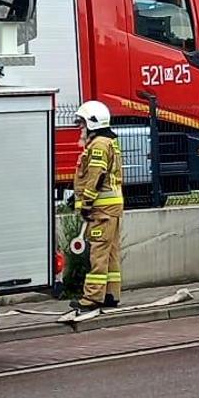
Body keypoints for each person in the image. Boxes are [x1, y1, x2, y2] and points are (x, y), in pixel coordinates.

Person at [71, 101, 124, 314]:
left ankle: (92, 298)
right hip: (112, 207)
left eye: (82, 123)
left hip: (102, 209)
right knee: (111, 252)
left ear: (92, 123)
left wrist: (86, 203)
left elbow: (95, 175)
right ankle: (111, 294)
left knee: (98, 252)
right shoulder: (108, 142)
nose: (80, 128)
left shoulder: (98, 145)